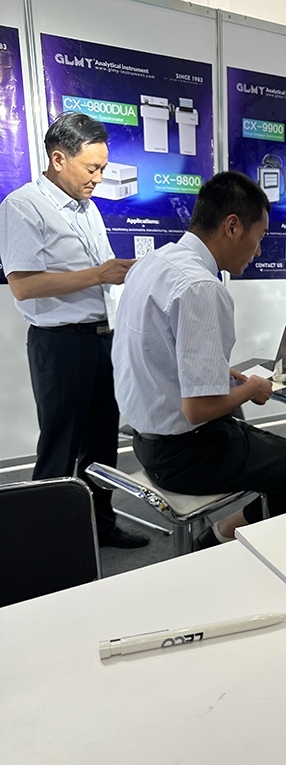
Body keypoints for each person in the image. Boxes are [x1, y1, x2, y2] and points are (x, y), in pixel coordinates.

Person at [112, 170, 286, 547]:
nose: (259, 251)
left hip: (146, 441)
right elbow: (199, 409)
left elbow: (158, 351)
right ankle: (223, 534)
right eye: (260, 237)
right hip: (188, 455)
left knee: (270, 443)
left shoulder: (152, 264)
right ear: (233, 227)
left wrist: (219, 372)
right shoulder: (201, 287)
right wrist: (252, 388)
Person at [0, 113, 148, 548]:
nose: (99, 178)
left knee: (102, 444)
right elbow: (24, 285)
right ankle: (48, 543)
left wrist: (123, 275)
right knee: (60, 446)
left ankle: (100, 525)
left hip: (103, 338)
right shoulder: (23, 206)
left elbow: (100, 274)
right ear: (59, 159)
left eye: (103, 168)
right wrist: (99, 274)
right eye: (92, 168)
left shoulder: (89, 209)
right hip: (60, 344)